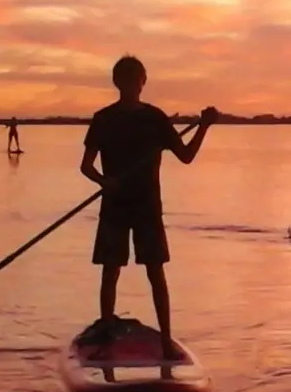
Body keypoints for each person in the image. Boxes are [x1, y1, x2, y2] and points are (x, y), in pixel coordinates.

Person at [79, 55, 218, 360]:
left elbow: (186, 156)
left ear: (143, 82)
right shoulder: (103, 119)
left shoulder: (155, 118)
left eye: (135, 80)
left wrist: (204, 126)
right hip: (115, 205)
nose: (131, 85)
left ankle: (166, 341)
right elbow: (86, 166)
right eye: (126, 80)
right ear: (118, 83)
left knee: (156, 272)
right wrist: (105, 182)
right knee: (110, 270)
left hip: (147, 206)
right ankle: (106, 336)